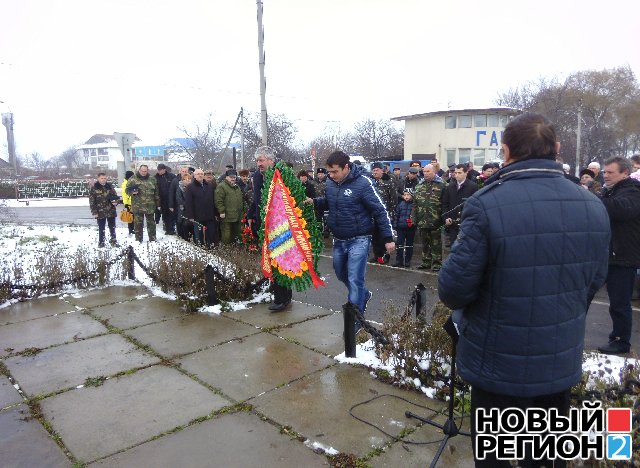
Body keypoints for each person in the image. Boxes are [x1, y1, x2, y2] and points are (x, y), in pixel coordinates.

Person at [438, 113, 610, 468]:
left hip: (496, 360)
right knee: (546, 456)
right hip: (558, 354)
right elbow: (593, 281)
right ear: (557, 150)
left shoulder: (485, 205)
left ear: (505, 151)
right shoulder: (593, 205)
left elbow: (454, 290)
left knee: (496, 456)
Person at [311, 151, 395, 327]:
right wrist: (314, 202)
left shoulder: (363, 184)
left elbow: (380, 210)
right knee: (341, 274)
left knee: (355, 279)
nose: (330, 175)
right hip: (339, 238)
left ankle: (354, 322)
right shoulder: (331, 183)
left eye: (334, 171)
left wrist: (388, 237)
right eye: (329, 172)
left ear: (346, 167)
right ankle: (363, 295)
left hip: (359, 238)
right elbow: (330, 201)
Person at [596, 156, 640, 355]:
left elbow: (620, 209)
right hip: (608, 255)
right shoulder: (610, 191)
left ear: (625, 173)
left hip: (623, 257)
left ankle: (621, 341)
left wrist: (593, 200)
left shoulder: (633, 192)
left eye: (610, 172)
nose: (605, 175)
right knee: (586, 295)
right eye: (604, 172)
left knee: (620, 303)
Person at [247, 146, 293, 311]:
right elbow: (256, 200)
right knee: (272, 262)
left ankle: (283, 298)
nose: (259, 163)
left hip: (280, 226)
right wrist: (250, 215)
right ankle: (280, 294)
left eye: (261, 160)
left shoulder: (281, 174)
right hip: (264, 226)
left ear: (270, 160)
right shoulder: (257, 177)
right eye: (257, 160)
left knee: (281, 261)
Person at [412, 164, 445, 271]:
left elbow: (445, 203)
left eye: (428, 171)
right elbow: (415, 203)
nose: (425, 173)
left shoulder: (442, 185)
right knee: (425, 243)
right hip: (422, 219)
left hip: (436, 219)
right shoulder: (419, 185)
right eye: (424, 171)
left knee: (436, 243)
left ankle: (437, 263)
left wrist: (443, 218)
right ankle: (426, 261)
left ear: (434, 172)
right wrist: (414, 218)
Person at [441, 163, 478, 246]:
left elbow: (475, 206)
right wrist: (446, 217)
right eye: (456, 172)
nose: (457, 175)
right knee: (454, 246)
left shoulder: (473, 187)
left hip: (466, 223)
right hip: (452, 222)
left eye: (459, 173)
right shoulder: (449, 187)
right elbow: (445, 204)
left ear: (466, 173)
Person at [369, 162, 397, 264]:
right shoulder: (370, 182)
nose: (375, 172)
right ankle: (377, 255)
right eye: (373, 170)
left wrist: (392, 214)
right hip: (373, 214)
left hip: (385, 214)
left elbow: (393, 199)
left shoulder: (388, 182)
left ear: (382, 170)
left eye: (377, 170)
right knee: (374, 236)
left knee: (384, 236)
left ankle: (385, 256)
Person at [184, 168, 219, 247]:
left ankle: (210, 247)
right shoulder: (190, 187)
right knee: (199, 235)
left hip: (209, 214)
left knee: (210, 233)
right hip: (197, 215)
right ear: (194, 176)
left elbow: (213, 200)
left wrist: (216, 213)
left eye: (201, 174)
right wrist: (190, 216)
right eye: (198, 174)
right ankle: (200, 248)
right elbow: (188, 203)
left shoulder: (209, 186)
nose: (200, 175)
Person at [126, 165, 161, 242]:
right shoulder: (133, 179)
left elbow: (156, 193)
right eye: (142, 171)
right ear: (139, 170)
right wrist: (132, 192)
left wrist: (158, 204)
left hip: (150, 206)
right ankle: (138, 240)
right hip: (138, 206)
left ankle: (153, 239)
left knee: (151, 223)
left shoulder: (152, 179)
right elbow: (127, 190)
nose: (144, 173)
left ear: (147, 171)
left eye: (145, 171)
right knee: (138, 224)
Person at [89, 172, 119, 247]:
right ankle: (101, 242)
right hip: (100, 211)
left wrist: (116, 202)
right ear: (98, 178)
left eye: (105, 178)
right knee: (101, 228)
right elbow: (92, 201)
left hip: (111, 210)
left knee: (112, 227)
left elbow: (115, 196)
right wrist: (94, 212)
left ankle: (113, 241)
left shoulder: (110, 186)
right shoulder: (94, 188)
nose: (103, 180)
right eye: (102, 178)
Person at [215, 169, 245, 245]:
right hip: (227, 215)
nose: (233, 179)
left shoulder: (236, 186)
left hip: (237, 215)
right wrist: (221, 211)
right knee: (226, 234)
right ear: (226, 177)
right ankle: (226, 249)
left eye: (234, 177)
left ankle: (235, 248)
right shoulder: (221, 186)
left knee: (236, 233)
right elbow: (218, 200)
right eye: (231, 177)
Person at [393, 188, 416, 268]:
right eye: (405, 195)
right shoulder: (400, 204)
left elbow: (416, 216)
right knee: (399, 244)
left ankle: (407, 261)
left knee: (409, 245)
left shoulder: (414, 205)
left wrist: (414, 224)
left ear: (412, 195)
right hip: (401, 228)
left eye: (408, 195)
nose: (406, 196)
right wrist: (395, 225)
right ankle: (399, 260)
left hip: (410, 228)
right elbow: (396, 215)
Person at [155, 163, 177, 235]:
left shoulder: (171, 176)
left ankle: (171, 229)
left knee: (171, 215)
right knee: (164, 215)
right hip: (161, 200)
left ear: (164, 169)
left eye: (161, 170)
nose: (159, 171)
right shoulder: (155, 177)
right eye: (158, 170)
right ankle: (167, 229)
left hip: (170, 199)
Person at [168, 166, 190, 237]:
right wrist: (171, 205)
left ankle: (186, 235)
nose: (184, 173)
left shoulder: (190, 180)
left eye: (186, 171)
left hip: (188, 205)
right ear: (180, 172)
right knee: (179, 219)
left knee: (186, 220)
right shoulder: (175, 180)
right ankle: (180, 234)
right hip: (177, 204)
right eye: (183, 171)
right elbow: (171, 192)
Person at [174, 173, 193, 241]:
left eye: (189, 179)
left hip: (191, 210)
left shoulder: (192, 188)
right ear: (182, 180)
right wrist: (188, 204)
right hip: (183, 209)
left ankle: (190, 236)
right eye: (185, 179)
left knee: (190, 224)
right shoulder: (180, 188)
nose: (187, 181)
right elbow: (179, 199)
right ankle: (184, 237)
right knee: (183, 223)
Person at [121, 170, 135, 236]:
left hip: (134, 203)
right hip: (129, 204)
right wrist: (126, 204)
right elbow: (124, 195)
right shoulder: (125, 184)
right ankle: (131, 230)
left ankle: (133, 229)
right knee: (130, 218)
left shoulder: (131, 182)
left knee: (134, 218)